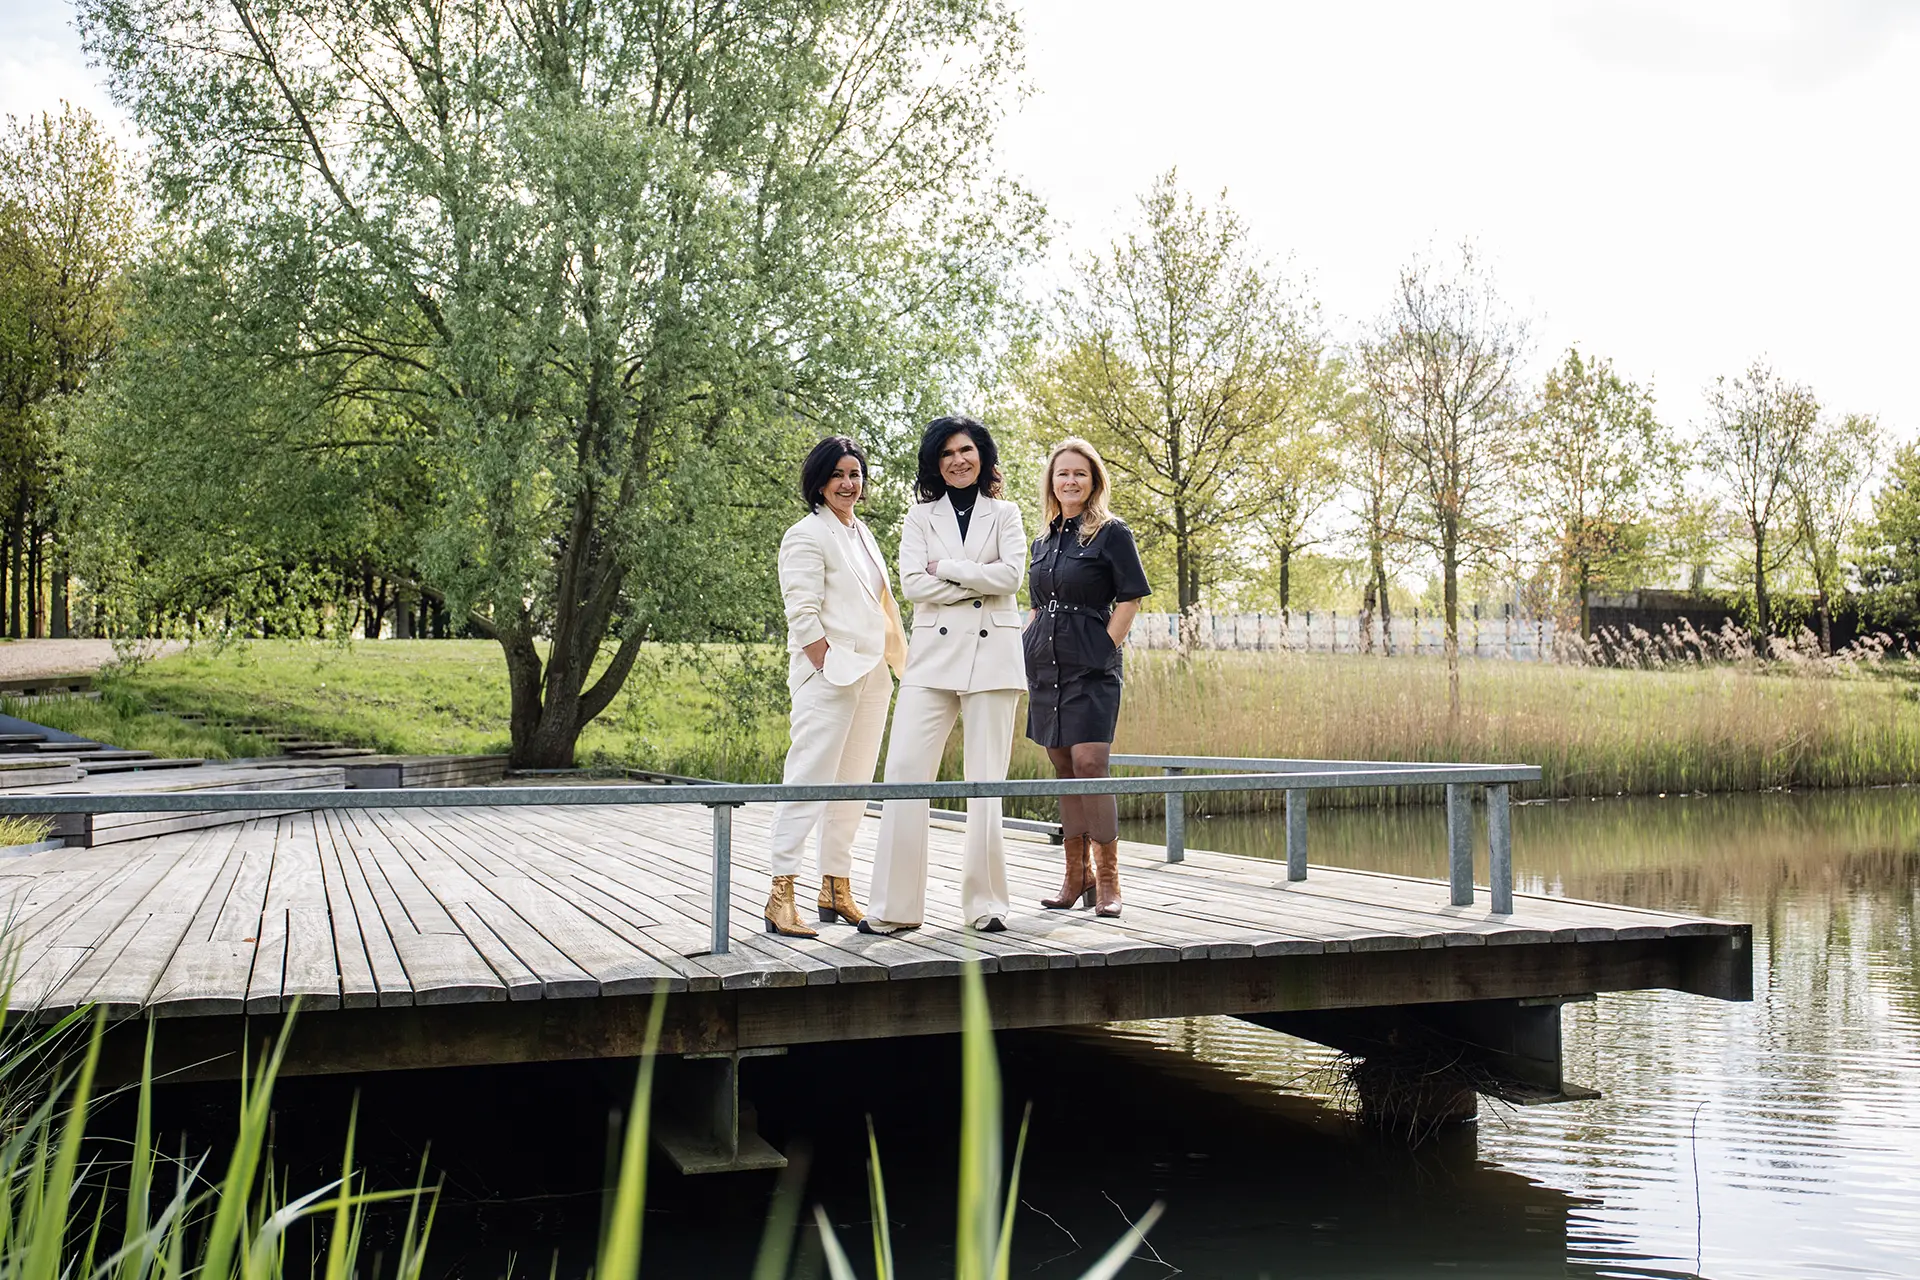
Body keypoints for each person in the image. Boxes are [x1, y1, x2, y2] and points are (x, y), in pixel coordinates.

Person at [861, 416, 1028, 934]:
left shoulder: (1006, 513)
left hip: (994, 657)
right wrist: (976, 579)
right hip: (930, 660)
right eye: (947, 453)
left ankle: (987, 904)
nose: (959, 460)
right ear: (935, 463)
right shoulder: (919, 517)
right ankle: (894, 908)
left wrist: (947, 570)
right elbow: (911, 585)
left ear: (982, 455)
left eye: (967, 450)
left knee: (985, 784)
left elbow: (1013, 576)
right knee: (905, 775)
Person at [762, 436, 907, 938]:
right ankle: (781, 894)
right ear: (820, 482)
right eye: (839, 475)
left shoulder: (863, 533)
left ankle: (835, 888)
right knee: (807, 780)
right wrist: (825, 665)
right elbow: (801, 613)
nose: (849, 484)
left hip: (871, 676)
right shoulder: (805, 534)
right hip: (828, 674)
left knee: (853, 787)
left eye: (856, 474)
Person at [1024, 437, 1150, 918]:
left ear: (1094, 480)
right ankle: (1076, 877)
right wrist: (1024, 648)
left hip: (1092, 666)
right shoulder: (1042, 541)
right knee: (1062, 766)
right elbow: (1038, 606)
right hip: (1046, 665)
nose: (1070, 481)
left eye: (1079, 473)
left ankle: (1111, 881)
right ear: (1051, 483)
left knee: (1090, 763)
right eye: (1062, 474)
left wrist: (1105, 648)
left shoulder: (1111, 533)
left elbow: (1131, 597)